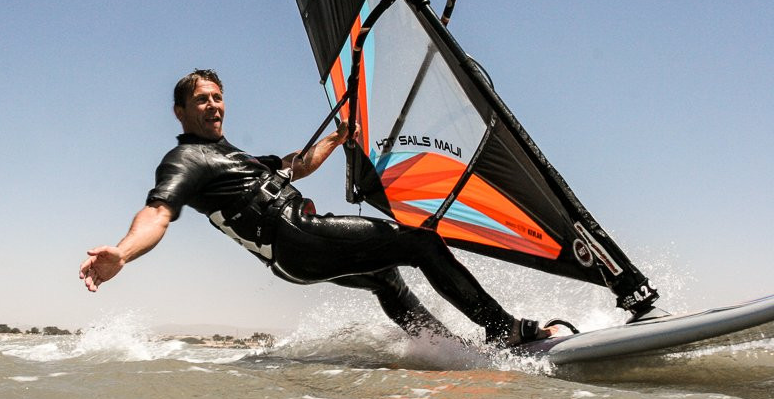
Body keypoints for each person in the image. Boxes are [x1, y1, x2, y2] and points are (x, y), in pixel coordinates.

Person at [79, 69, 553, 347]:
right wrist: (123, 253)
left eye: (218, 97)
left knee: (386, 277)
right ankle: (505, 331)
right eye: (200, 100)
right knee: (419, 242)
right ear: (180, 112)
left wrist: (336, 138)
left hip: (292, 261)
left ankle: (443, 349)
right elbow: (158, 212)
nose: (213, 105)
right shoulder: (187, 159)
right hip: (298, 235)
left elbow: (296, 166)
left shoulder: (233, 157)